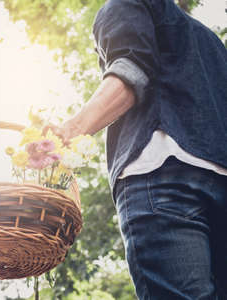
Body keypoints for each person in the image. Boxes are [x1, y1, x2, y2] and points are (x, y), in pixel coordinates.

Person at [45, 0, 227, 299]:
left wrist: (70, 132)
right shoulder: (210, 40)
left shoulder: (124, 5)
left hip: (162, 176)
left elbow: (131, 71)